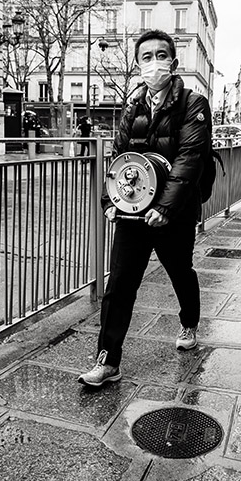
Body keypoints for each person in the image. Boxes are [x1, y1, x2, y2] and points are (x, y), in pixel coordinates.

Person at [78, 29, 211, 387]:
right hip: (134, 211)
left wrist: (166, 208)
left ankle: (189, 321)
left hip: (174, 212)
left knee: (180, 272)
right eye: (147, 57)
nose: (154, 63)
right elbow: (118, 157)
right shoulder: (133, 106)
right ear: (138, 64)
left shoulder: (193, 103)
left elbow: (190, 159)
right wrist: (110, 201)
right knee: (119, 285)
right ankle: (108, 361)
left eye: (161, 55)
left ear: (173, 61)